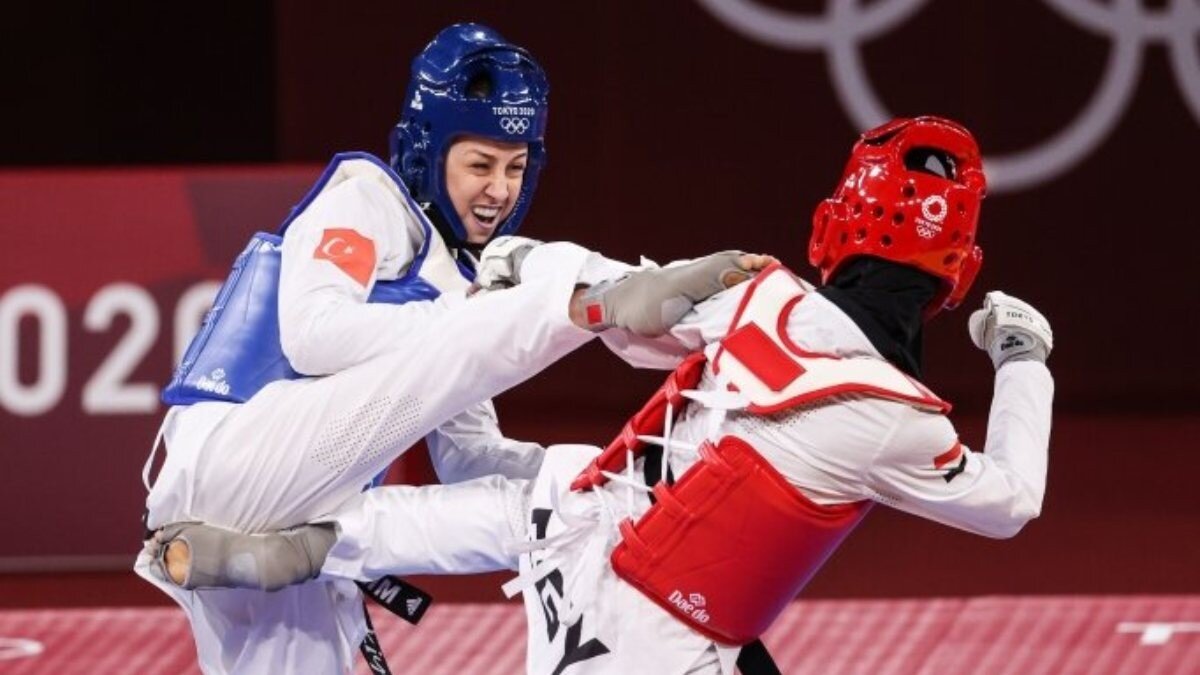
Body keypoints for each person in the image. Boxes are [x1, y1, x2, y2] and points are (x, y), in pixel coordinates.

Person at [156, 116, 1054, 675]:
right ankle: (306, 547)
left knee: (554, 485)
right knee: (575, 505)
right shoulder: (902, 423)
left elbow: (627, 315)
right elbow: (1011, 500)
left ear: (833, 226)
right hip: (651, 639)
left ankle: (304, 546)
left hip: (573, 540)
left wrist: (523, 261)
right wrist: (1022, 357)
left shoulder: (757, 292)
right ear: (959, 271)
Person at [137, 22, 769, 675]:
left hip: (264, 527)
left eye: (516, 167)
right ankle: (593, 300)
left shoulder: (457, 292)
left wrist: (600, 481)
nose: (500, 189)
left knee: (561, 505)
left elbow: (468, 459)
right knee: (518, 288)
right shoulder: (366, 197)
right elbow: (313, 333)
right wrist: (496, 311)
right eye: (480, 164)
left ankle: (312, 550)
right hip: (234, 455)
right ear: (427, 152)